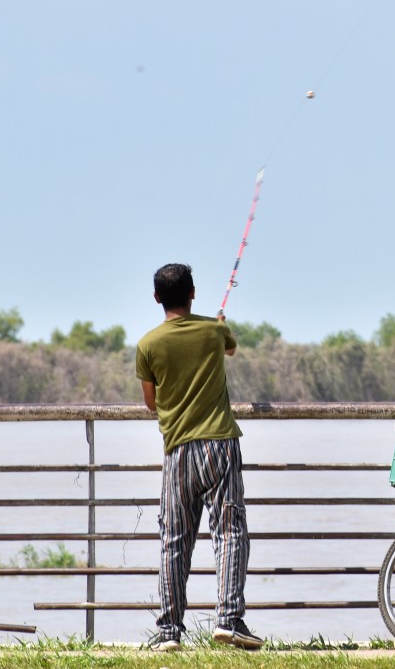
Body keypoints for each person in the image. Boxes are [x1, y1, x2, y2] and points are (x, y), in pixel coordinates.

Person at [135, 263, 263, 652]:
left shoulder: (148, 344)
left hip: (177, 450)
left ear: (156, 297)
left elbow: (151, 402)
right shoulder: (213, 330)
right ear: (193, 293)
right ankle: (228, 620)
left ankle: (170, 631)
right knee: (230, 532)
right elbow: (231, 347)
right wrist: (219, 323)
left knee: (174, 539)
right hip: (220, 444)